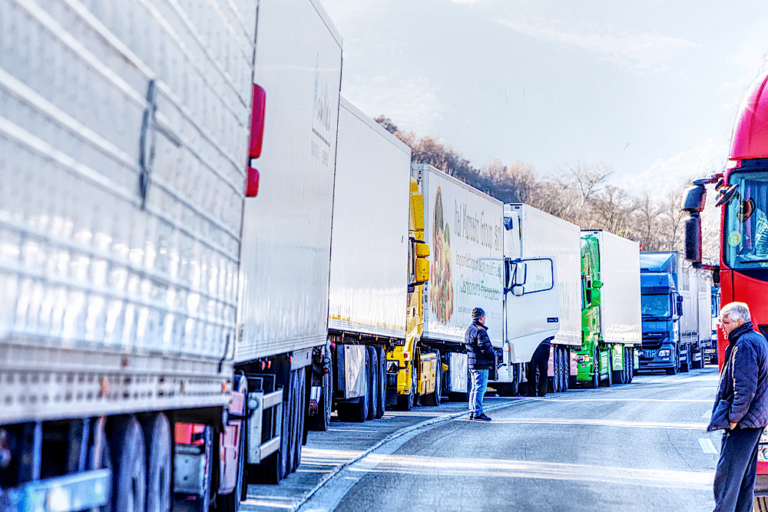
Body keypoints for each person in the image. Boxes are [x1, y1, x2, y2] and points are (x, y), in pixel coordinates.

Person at [712, 302, 768, 512]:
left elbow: (745, 389)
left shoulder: (744, 345)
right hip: (755, 421)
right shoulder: (757, 339)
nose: (722, 327)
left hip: (743, 422)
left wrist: (734, 418)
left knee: (727, 478)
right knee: (745, 480)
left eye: (725, 322)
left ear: (739, 322)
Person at [465, 307, 495, 421]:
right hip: (481, 364)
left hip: (472, 363)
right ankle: (477, 412)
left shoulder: (469, 329)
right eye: (484, 316)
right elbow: (485, 348)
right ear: (481, 318)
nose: (485, 318)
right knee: (480, 388)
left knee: (474, 388)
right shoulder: (480, 331)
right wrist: (493, 356)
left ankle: (472, 411)